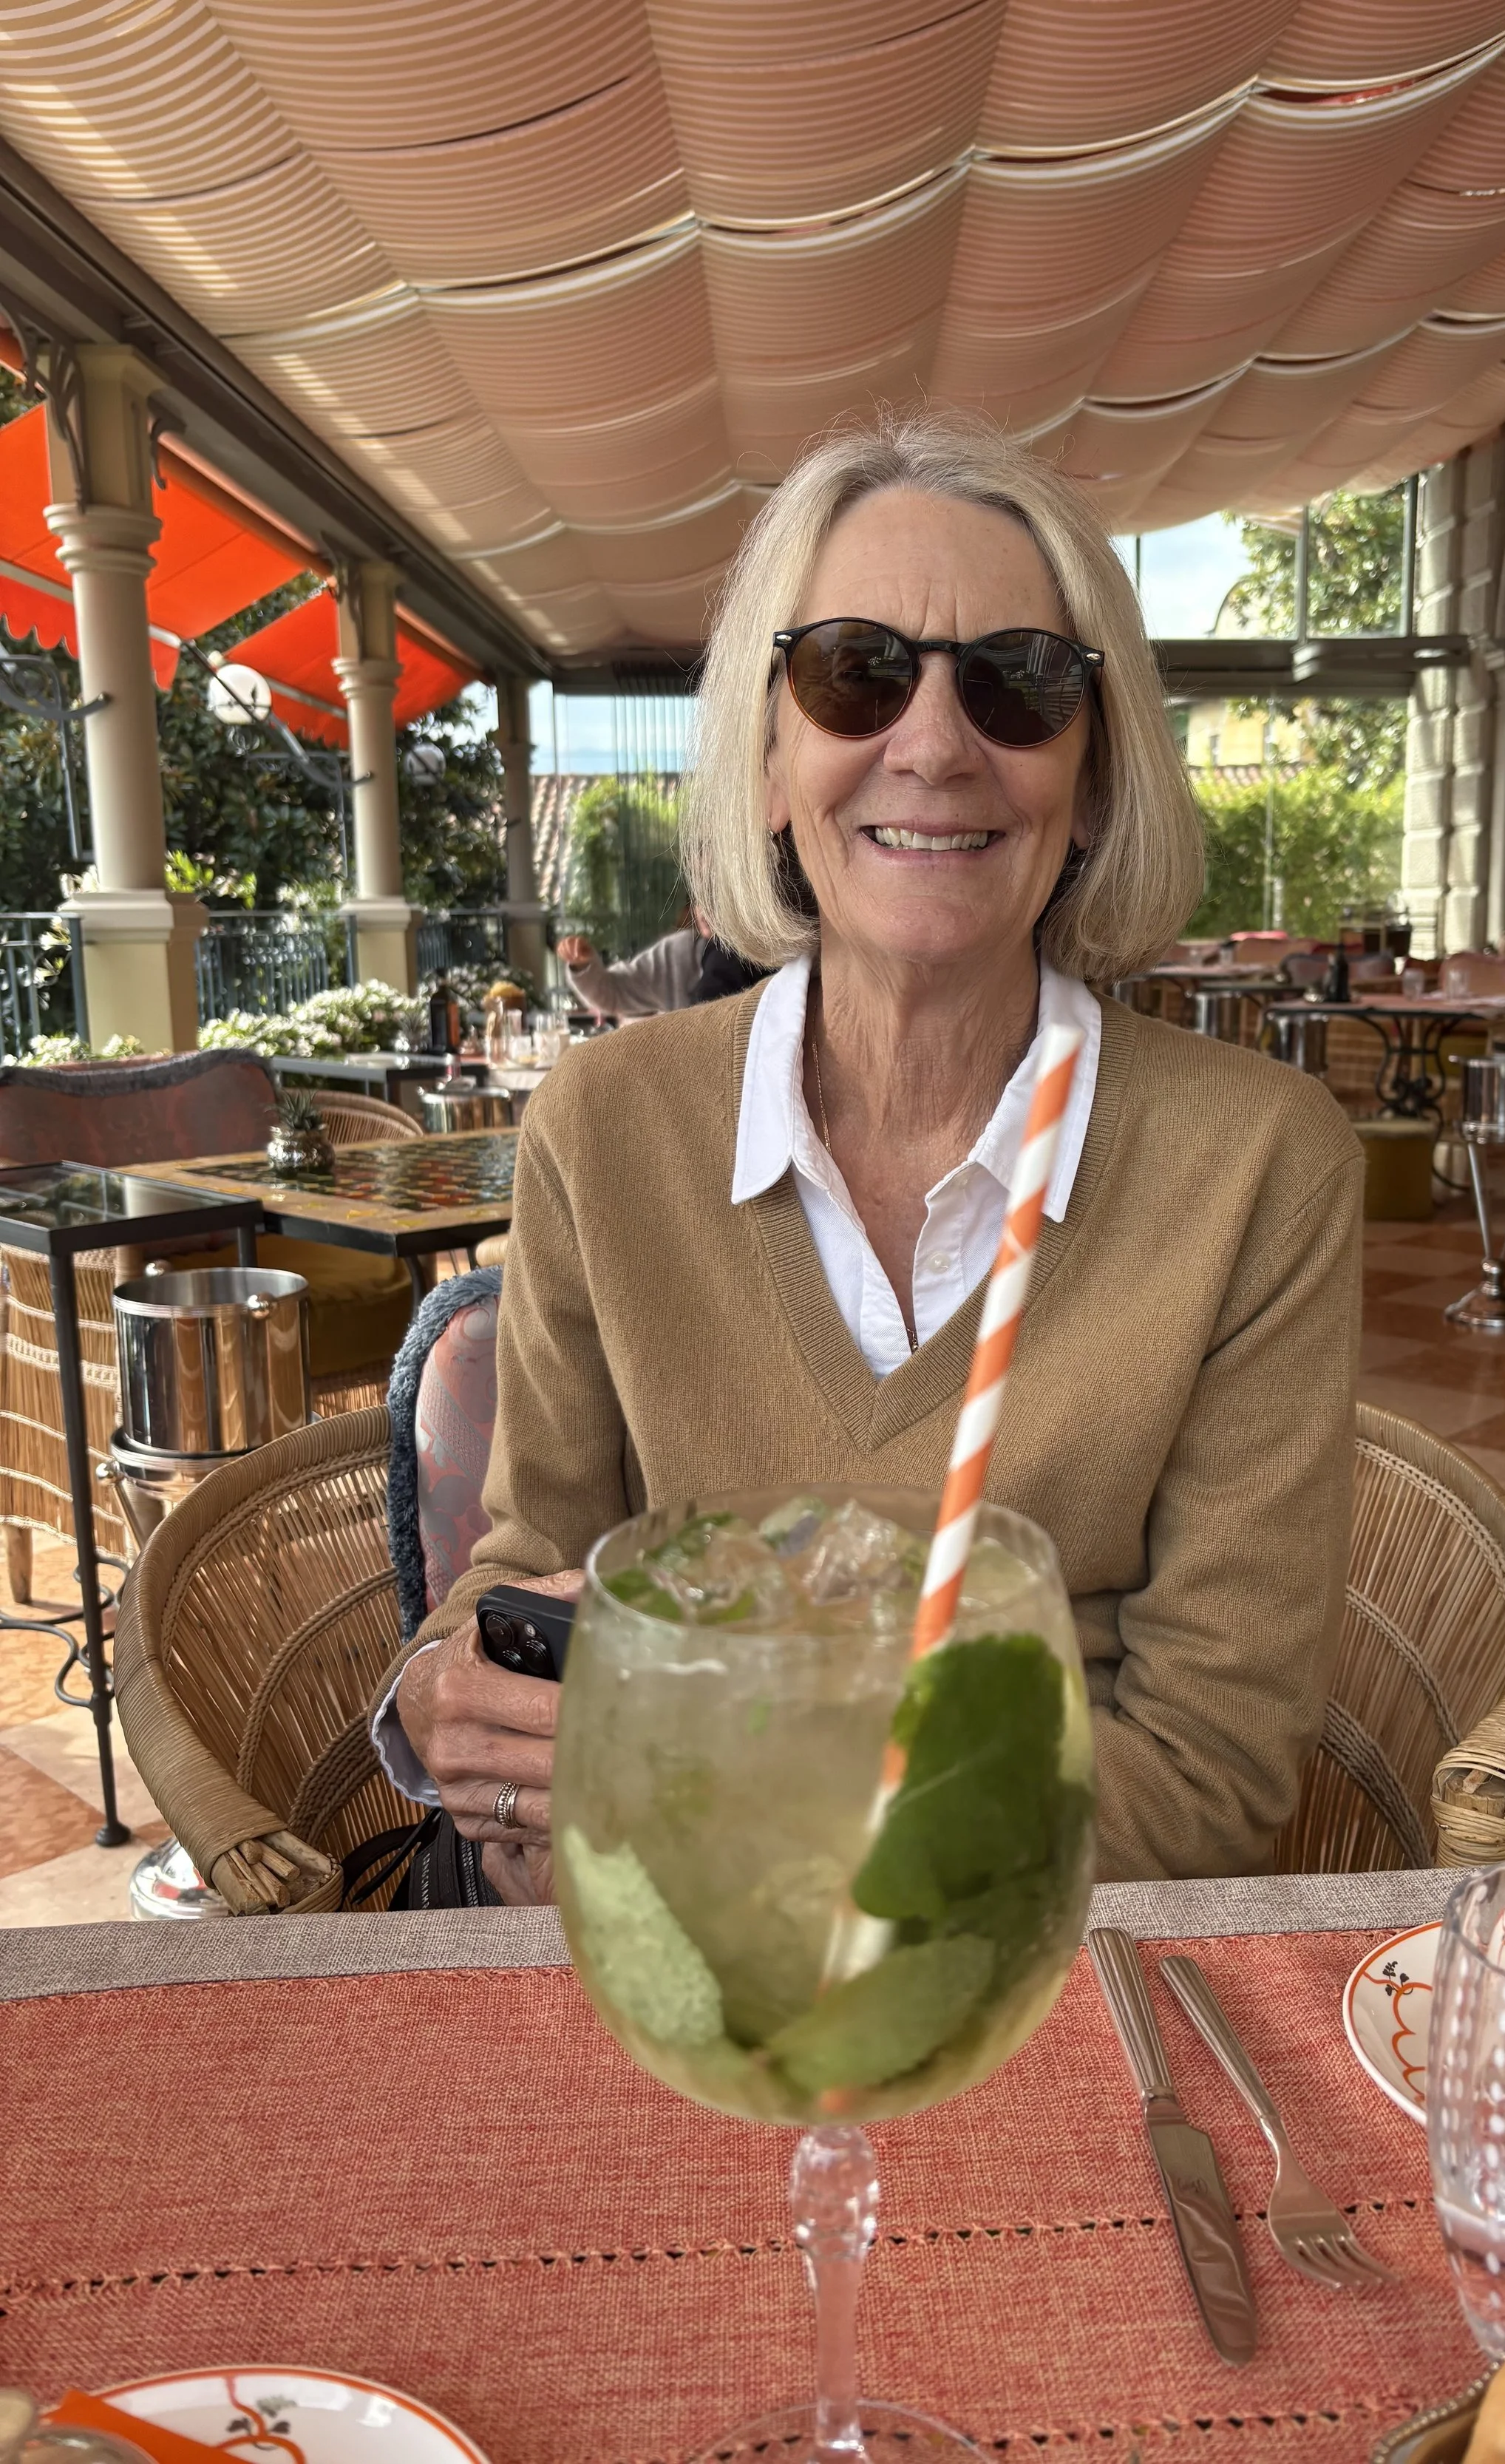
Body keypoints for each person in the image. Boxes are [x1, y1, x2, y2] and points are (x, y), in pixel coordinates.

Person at [373, 409, 1362, 1904]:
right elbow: (528, 1573)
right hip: (657, 1949)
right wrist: (450, 1693)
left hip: (1038, 1963)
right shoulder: (606, 1123)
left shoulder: (1256, 1165)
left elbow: (1208, 1775)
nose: (932, 743)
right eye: (855, 673)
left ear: (1091, 780)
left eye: (1019, 686)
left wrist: (730, 1805)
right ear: (771, 759)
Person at [555, 917, 769, 1019]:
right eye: (701, 889)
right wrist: (584, 965)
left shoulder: (773, 948)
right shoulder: (680, 954)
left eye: (716, 886)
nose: (704, 907)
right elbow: (615, 992)